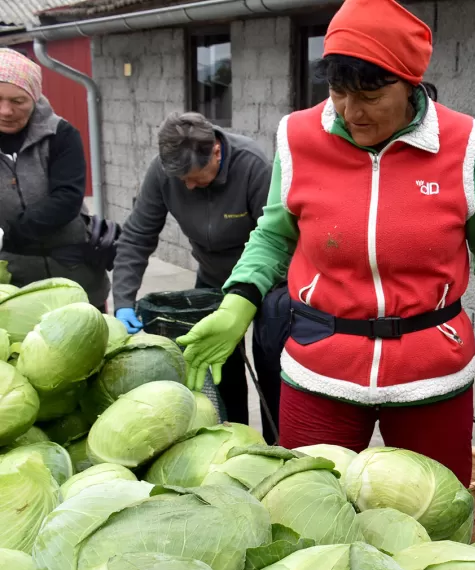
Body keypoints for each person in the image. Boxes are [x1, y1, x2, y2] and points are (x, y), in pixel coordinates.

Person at [178, 0, 475, 486]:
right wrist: (239, 302)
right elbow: (274, 235)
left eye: (370, 94)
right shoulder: (298, 137)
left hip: (431, 375)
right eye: (338, 91)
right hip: (322, 369)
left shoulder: (463, 143)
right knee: (305, 512)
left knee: (436, 522)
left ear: (409, 83)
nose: (350, 111)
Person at [112, 111, 273, 430]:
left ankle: (275, 442)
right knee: (216, 368)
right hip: (212, 279)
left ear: (216, 150)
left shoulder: (253, 166)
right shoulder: (163, 173)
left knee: (269, 367)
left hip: (266, 282)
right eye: (180, 179)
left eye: (195, 176)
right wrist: (123, 301)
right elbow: (137, 236)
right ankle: (232, 434)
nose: (188, 185)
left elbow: (275, 238)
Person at [0, 49, 109, 308]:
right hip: (15, 281)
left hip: (74, 271)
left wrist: (7, 234)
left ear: (35, 97)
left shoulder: (60, 134)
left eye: (18, 100)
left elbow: (67, 199)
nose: (6, 110)